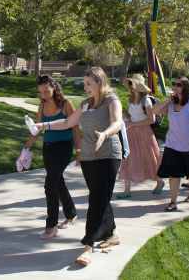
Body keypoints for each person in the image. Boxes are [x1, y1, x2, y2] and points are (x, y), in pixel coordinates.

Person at [34, 67, 124, 266]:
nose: (85, 88)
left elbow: (117, 122)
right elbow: (67, 122)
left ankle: (88, 246)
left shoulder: (111, 100)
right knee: (100, 196)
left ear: (100, 83)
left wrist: (105, 134)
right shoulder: (84, 105)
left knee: (97, 199)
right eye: (84, 84)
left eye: (89, 84)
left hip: (109, 154)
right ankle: (111, 234)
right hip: (89, 157)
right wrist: (44, 126)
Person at [23, 75, 79, 240]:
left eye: (46, 90)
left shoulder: (66, 104)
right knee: (57, 181)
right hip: (48, 148)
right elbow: (37, 129)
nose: (44, 94)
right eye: (40, 92)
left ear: (54, 87)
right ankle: (71, 214)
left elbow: (75, 128)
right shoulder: (42, 105)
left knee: (50, 184)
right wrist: (26, 148)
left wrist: (79, 150)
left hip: (64, 148)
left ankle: (51, 225)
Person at [153, 77, 189, 212]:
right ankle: (173, 202)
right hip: (172, 144)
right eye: (173, 84)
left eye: (178, 85)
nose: (175, 87)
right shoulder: (171, 104)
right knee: (174, 174)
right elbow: (154, 111)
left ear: (185, 87)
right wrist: (168, 99)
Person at [116, 74, 164, 198]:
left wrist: (133, 123)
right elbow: (133, 116)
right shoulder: (131, 98)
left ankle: (160, 182)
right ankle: (127, 190)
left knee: (149, 158)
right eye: (130, 84)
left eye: (132, 84)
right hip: (132, 132)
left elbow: (151, 119)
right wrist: (125, 115)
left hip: (144, 133)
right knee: (128, 158)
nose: (131, 87)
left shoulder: (146, 100)